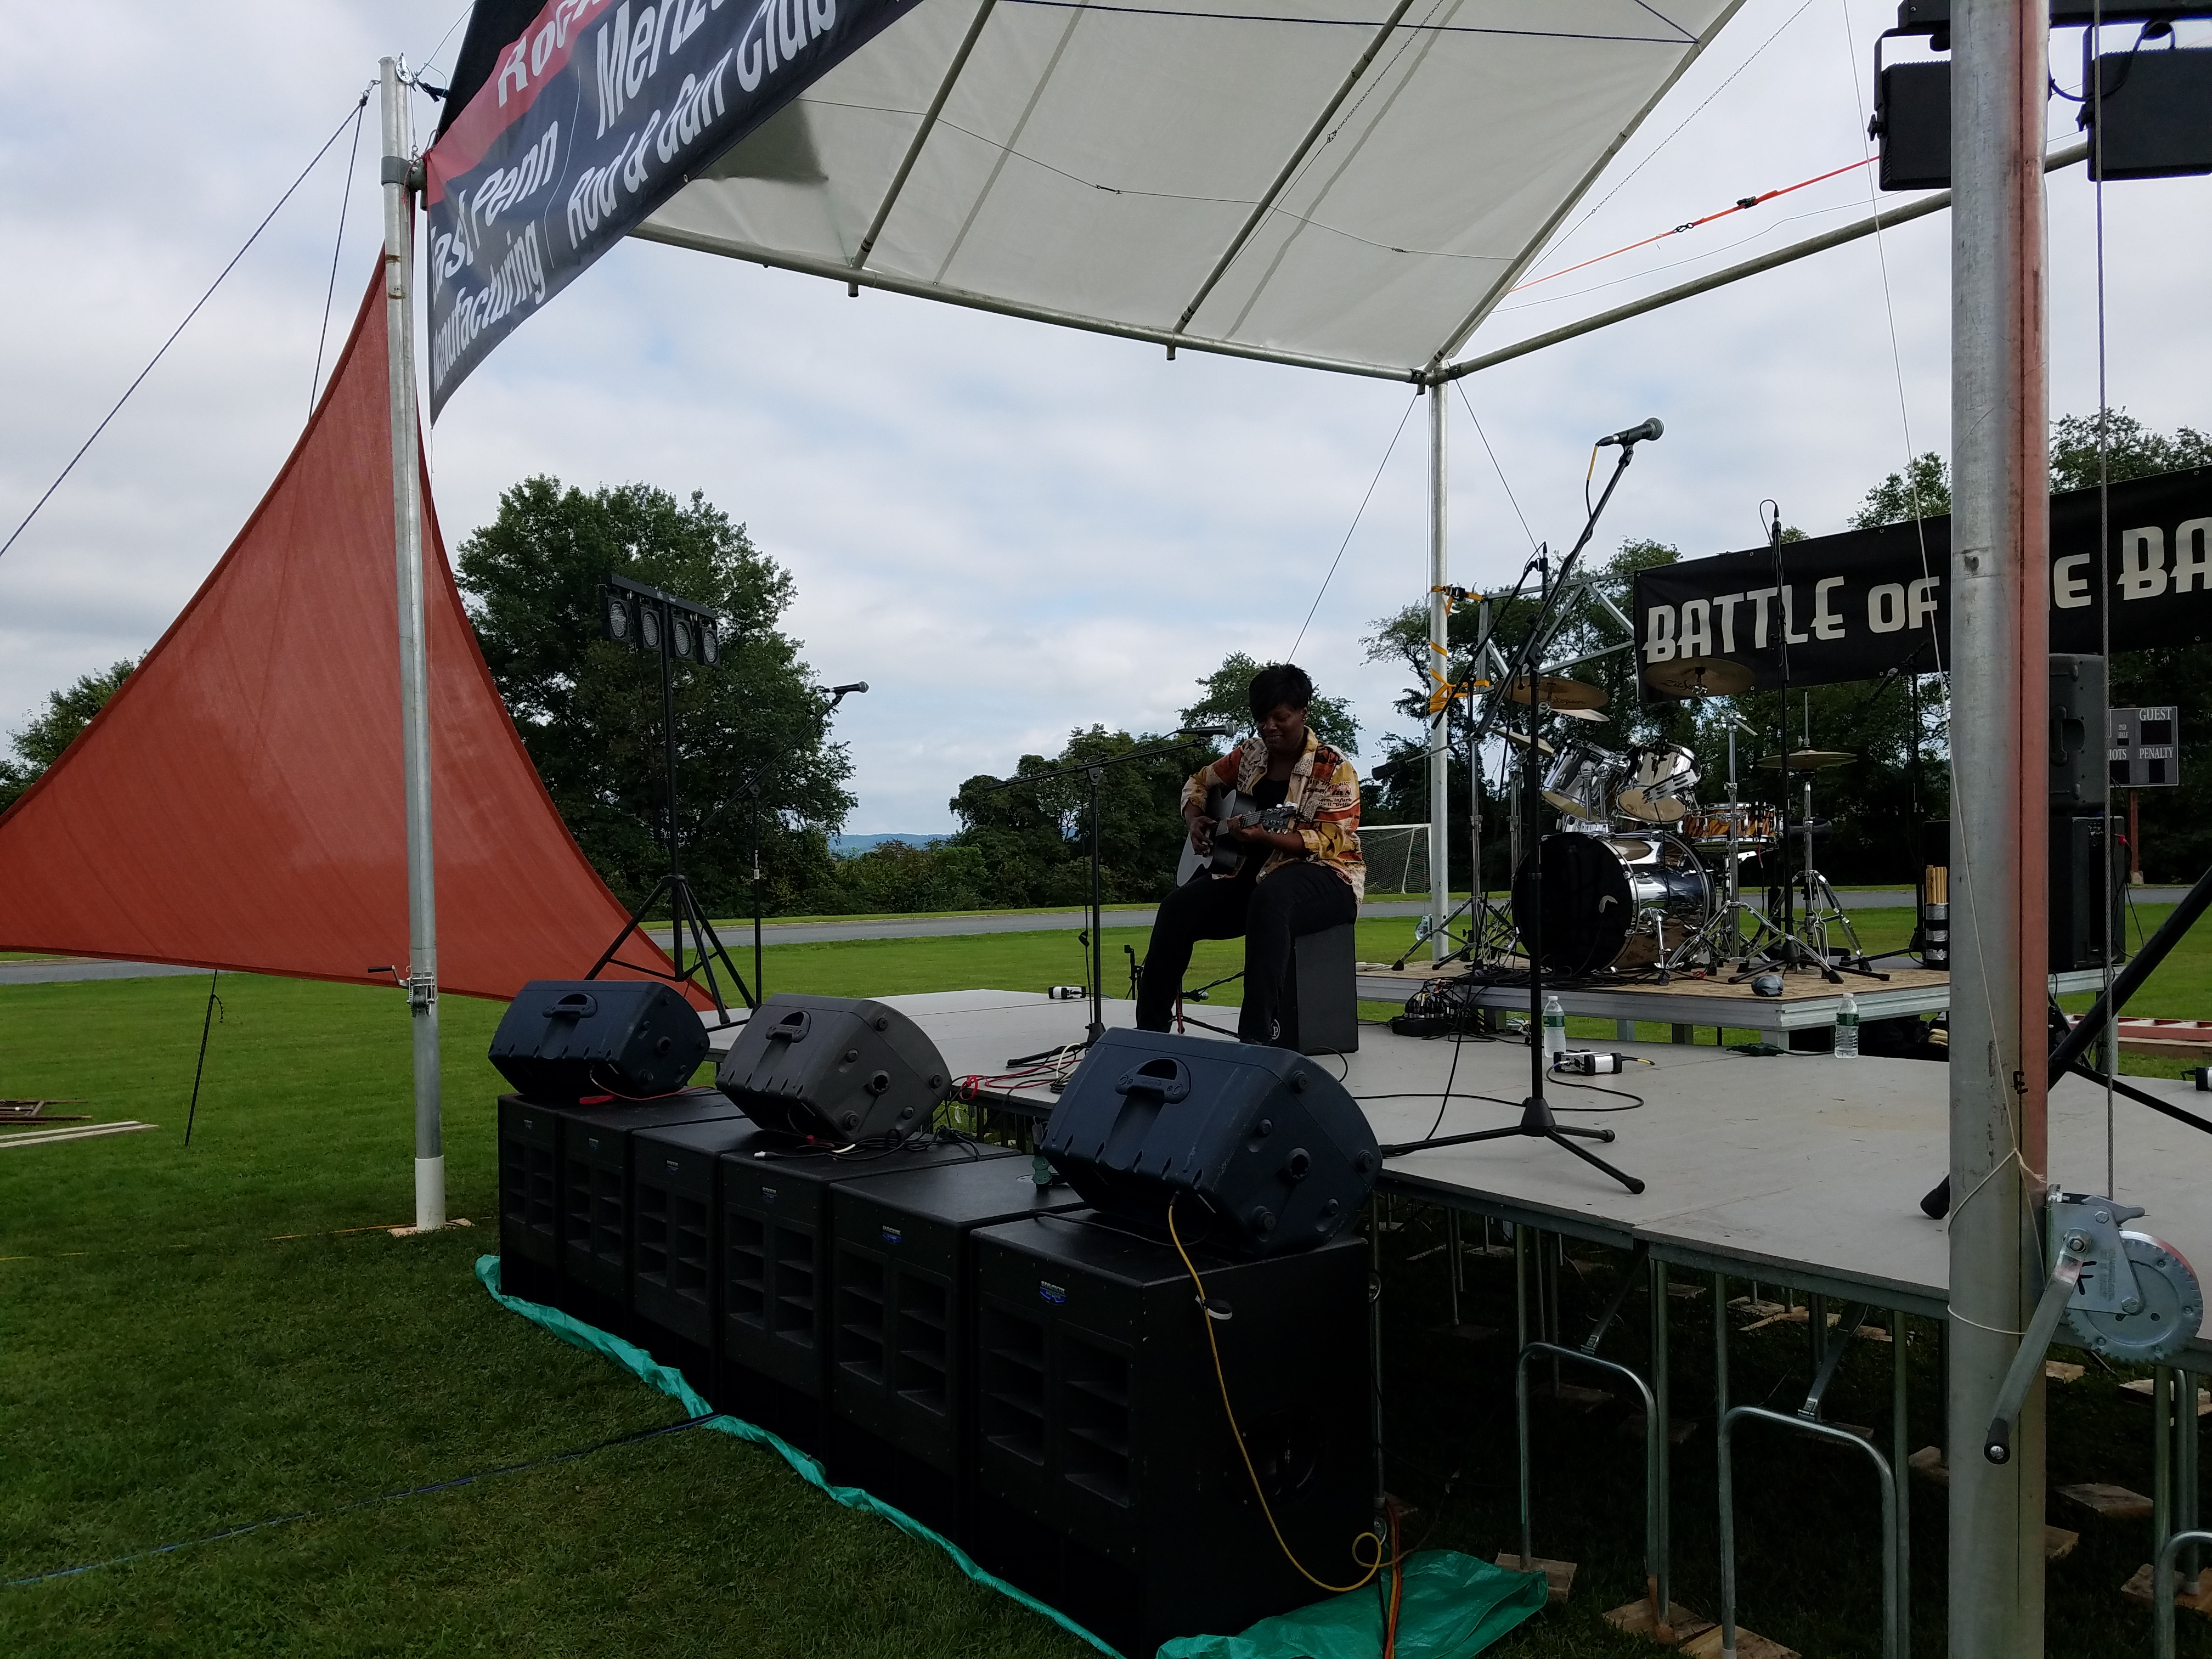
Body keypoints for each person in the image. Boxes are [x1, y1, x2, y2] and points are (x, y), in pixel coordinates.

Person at [1135, 663, 1362, 1046]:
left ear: (1303, 712)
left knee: (1272, 899)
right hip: (1251, 876)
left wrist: (1266, 836)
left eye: (1280, 717)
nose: (1269, 727)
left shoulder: (1333, 767)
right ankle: (1149, 1035)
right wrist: (1195, 819)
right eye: (1261, 719)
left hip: (1328, 876)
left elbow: (1330, 840)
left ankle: (1256, 1040)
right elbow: (1199, 782)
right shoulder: (1249, 754)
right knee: (1176, 909)